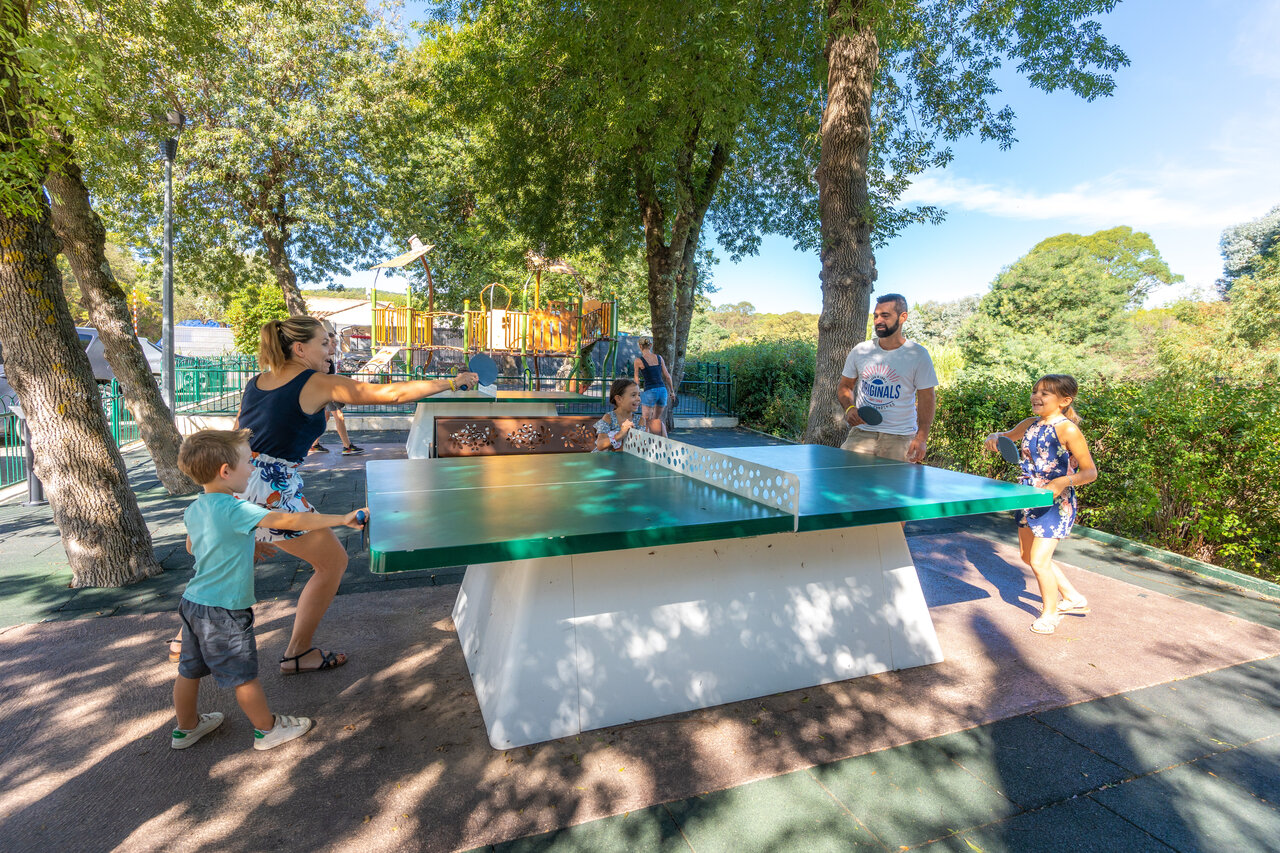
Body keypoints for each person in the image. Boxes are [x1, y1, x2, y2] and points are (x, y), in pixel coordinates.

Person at [235, 316, 477, 674]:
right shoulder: (316, 382)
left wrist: (237, 510)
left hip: (240, 479)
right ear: (299, 349)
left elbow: (236, 436)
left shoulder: (257, 382)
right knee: (332, 563)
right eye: (323, 342)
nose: (331, 346)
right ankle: (296, 653)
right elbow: (389, 394)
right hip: (271, 486)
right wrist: (452, 382)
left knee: (226, 562)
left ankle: (188, 637)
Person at [171, 428, 368, 751]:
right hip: (225, 609)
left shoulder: (196, 508)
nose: (252, 469)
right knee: (243, 676)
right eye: (248, 463)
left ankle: (186, 727)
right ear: (226, 472)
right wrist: (342, 519)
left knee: (189, 670)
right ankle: (267, 730)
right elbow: (290, 520)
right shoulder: (236, 509)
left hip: (193, 603)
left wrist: (245, 546)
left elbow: (195, 546)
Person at [984, 374, 1098, 635]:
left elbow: (1090, 472)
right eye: (1035, 391)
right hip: (1026, 497)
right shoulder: (1029, 424)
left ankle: (1050, 613)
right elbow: (1004, 438)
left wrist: (1061, 482)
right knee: (1027, 557)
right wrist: (993, 438)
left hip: (1055, 502)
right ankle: (1073, 598)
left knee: (1038, 561)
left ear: (1064, 400)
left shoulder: (1067, 429)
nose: (1037, 396)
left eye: (1045, 393)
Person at [837, 293, 937, 463]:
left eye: (885, 315)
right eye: (875, 316)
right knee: (847, 485)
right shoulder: (860, 351)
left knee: (896, 489)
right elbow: (845, 386)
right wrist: (849, 408)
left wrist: (921, 439)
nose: (878, 321)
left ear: (903, 317)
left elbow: (927, 398)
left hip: (900, 438)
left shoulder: (918, 355)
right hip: (861, 434)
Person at [310, 331, 363, 456]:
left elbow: (331, 376)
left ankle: (313, 444)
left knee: (326, 417)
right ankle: (347, 446)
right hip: (329, 392)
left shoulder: (327, 359)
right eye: (333, 342)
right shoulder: (323, 359)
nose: (335, 345)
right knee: (339, 416)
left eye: (335, 342)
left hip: (329, 391)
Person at [632, 338, 675, 437]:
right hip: (662, 390)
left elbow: (636, 380)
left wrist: (636, 394)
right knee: (656, 421)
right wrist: (672, 391)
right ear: (650, 346)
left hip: (650, 391)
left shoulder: (638, 361)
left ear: (640, 346)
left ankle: (645, 445)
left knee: (645, 421)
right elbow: (668, 376)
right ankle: (663, 443)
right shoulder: (659, 358)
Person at [594, 378, 646, 452]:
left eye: (639, 395)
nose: (639, 399)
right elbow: (600, 445)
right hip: (606, 461)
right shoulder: (608, 418)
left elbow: (640, 446)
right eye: (633, 395)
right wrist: (620, 434)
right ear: (618, 399)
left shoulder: (640, 420)